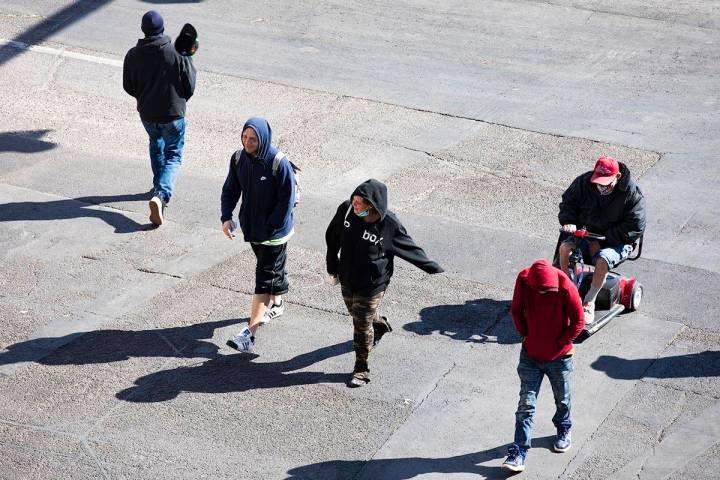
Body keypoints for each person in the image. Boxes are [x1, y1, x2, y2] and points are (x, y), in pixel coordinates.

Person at [325, 179, 444, 387]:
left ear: (371, 204)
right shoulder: (346, 211)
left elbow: (409, 247)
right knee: (357, 313)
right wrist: (332, 267)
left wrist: (431, 266)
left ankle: (361, 369)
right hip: (347, 276)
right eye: (354, 199)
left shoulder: (389, 224)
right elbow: (332, 237)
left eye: (359, 202)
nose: (354, 205)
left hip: (373, 283)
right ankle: (378, 324)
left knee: (360, 324)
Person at [502, 259, 585, 473]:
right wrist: (524, 334)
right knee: (525, 406)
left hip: (560, 358)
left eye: (545, 291)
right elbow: (516, 310)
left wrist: (562, 342)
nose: (540, 294)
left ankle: (563, 428)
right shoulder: (523, 279)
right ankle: (519, 451)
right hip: (531, 356)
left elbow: (578, 321)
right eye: (537, 291)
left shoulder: (565, 284)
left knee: (562, 399)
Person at [221, 117, 296, 352]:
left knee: (263, 278)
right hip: (253, 229)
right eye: (244, 137)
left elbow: (287, 198)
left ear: (263, 139)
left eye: (252, 139)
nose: (247, 142)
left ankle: (249, 334)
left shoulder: (278, 163)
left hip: (274, 233)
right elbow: (230, 190)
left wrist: (273, 225)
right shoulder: (238, 158)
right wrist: (226, 217)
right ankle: (278, 301)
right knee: (271, 269)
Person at [123, 10, 197, 226]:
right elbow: (190, 84)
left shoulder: (133, 54)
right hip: (173, 113)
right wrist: (181, 100)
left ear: (144, 30)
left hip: (147, 114)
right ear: (162, 28)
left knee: (156, 143)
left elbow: (128, 86)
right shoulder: (176, 53)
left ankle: (158, 184)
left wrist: (144, 97)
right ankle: (161, 195)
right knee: (174, 153)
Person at [557, 156, 646, 323]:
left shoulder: (632, 194)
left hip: (617, 241)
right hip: (588, 234)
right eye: (598, 182)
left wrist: (605, 240)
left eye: (605, 183)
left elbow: (635, 226)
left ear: (617, 177)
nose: (601, 187)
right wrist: (569, 221)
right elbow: (568, 202)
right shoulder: (584, 182)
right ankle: (568, 290)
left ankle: (589, 301)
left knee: (603, 259)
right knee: (565, 247)